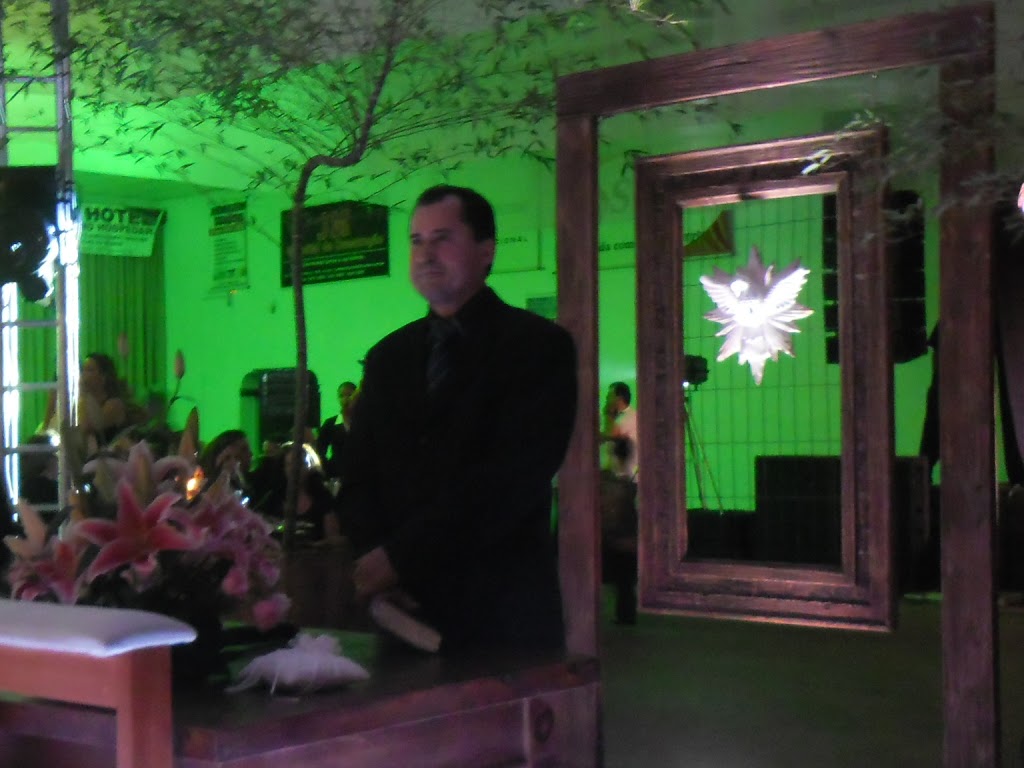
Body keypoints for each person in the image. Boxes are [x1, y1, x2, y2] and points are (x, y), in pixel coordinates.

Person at [338, 184, 577, 653]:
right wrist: (373, 561)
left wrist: (400, 558)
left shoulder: (535, 347)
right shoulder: (388, 358)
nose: (426, 254)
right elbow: (358, 474)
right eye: (416, 241)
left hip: (501, 614)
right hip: (402, 613)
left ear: (486, 251)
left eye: (442, 238)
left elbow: (510, 479)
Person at [599, 382, 638, 625]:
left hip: (623, 482)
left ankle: (624, 608)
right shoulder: (627, 418)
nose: (607, 398)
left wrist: (607, 417)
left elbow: (612, 437)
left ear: (619, 397)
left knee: (619, 543)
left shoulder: (628, 419)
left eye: (610, 395)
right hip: (622, 483)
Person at [316, 381, 357, 479]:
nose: (345, 399)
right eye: (341, 396)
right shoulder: (330, 424)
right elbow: (319, 449)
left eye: (349, 395)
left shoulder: (364, 422)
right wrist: (328, 468)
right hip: (337, 474)